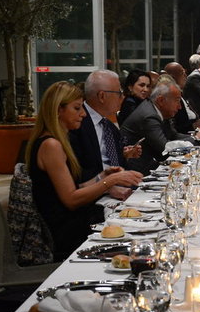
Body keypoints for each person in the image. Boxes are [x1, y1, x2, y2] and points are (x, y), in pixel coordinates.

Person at [26, 81, 142, 260]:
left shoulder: (57, 141)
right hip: (66, 231)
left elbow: (74, 187)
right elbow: (71, 200)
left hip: (72, 221)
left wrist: (102, 176)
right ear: (58, 110)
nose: (83, 114)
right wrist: (110, 182)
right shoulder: (51, 145)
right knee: (133, 232)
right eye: (77, 108)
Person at [69, 70, 143, 201]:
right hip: (94, 197)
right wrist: (108, 187)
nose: (122, 97)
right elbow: (79, 174)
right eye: (119, 93)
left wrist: (125, 155)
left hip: (119, 189)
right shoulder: (76, 125)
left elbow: (114, 162)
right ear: (102, 96)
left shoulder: (108, 125)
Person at [120, 81, 194, 174]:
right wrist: (196, 140)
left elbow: (173, 135)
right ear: (161, 100)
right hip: (139, 171)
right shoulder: (149, 116)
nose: (179, 107)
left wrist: (196, 138)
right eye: (177, 100)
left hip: (152, 163)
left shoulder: (159, 111)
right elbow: (165, 149)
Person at [163, 62, 200, 134]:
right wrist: (195, 129)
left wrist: (198, 122)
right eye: (182, 73)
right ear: (172, 78)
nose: (186, 76)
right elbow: (177, 129)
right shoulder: (170, 99)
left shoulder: (182, 93)